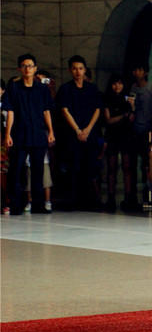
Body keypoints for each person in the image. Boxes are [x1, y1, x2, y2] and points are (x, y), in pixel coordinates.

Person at [3, 54, 55, 215]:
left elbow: (46, 111)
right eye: (24, 66)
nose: (27, 69)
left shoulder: (42, 89)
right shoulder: (14, 88)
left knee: (38, 171)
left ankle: (39, 204)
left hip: (38, 133)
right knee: (16, 170)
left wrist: (51, 131)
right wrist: (8, 134)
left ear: (35, 68)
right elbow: (10, 111)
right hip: (20, 133)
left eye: (30, 65)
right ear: (19, 68)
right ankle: (16, 204)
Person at [55, 55, 103, 211]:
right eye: (75, 68)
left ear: (85, 70)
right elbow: (64, 111)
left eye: (81, 68)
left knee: (89, 168)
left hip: (90, 133)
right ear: (70, 70)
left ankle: (88, 201)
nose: (78, 71)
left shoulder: (92, 88)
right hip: (72, 134)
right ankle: (70, 201)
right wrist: (77, 130)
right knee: (73, 167)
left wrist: (87, 129)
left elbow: (97, 109)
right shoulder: (65, 88)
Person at [128, 62, 152, 211]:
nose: (137, 72)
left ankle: (149, 197)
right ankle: (132, 197)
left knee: (149, 163)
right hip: (134, 131)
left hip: (148, 133)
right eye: (135, 69)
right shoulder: (132, 88)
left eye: (140, 69)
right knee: (132, 165)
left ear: (146, 72)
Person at [103, 73, 135, 212]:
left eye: (120, 83)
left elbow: (132, 118)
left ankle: (128, 197)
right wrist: (123, 116)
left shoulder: (128, 98)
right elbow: (108, 120)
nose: (118, 86)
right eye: (115, 83)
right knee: (112, 166)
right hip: (112, 135)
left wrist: (132, 108)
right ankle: (111, 197)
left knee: (127, 166)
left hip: (126, 134)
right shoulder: (107, 99)